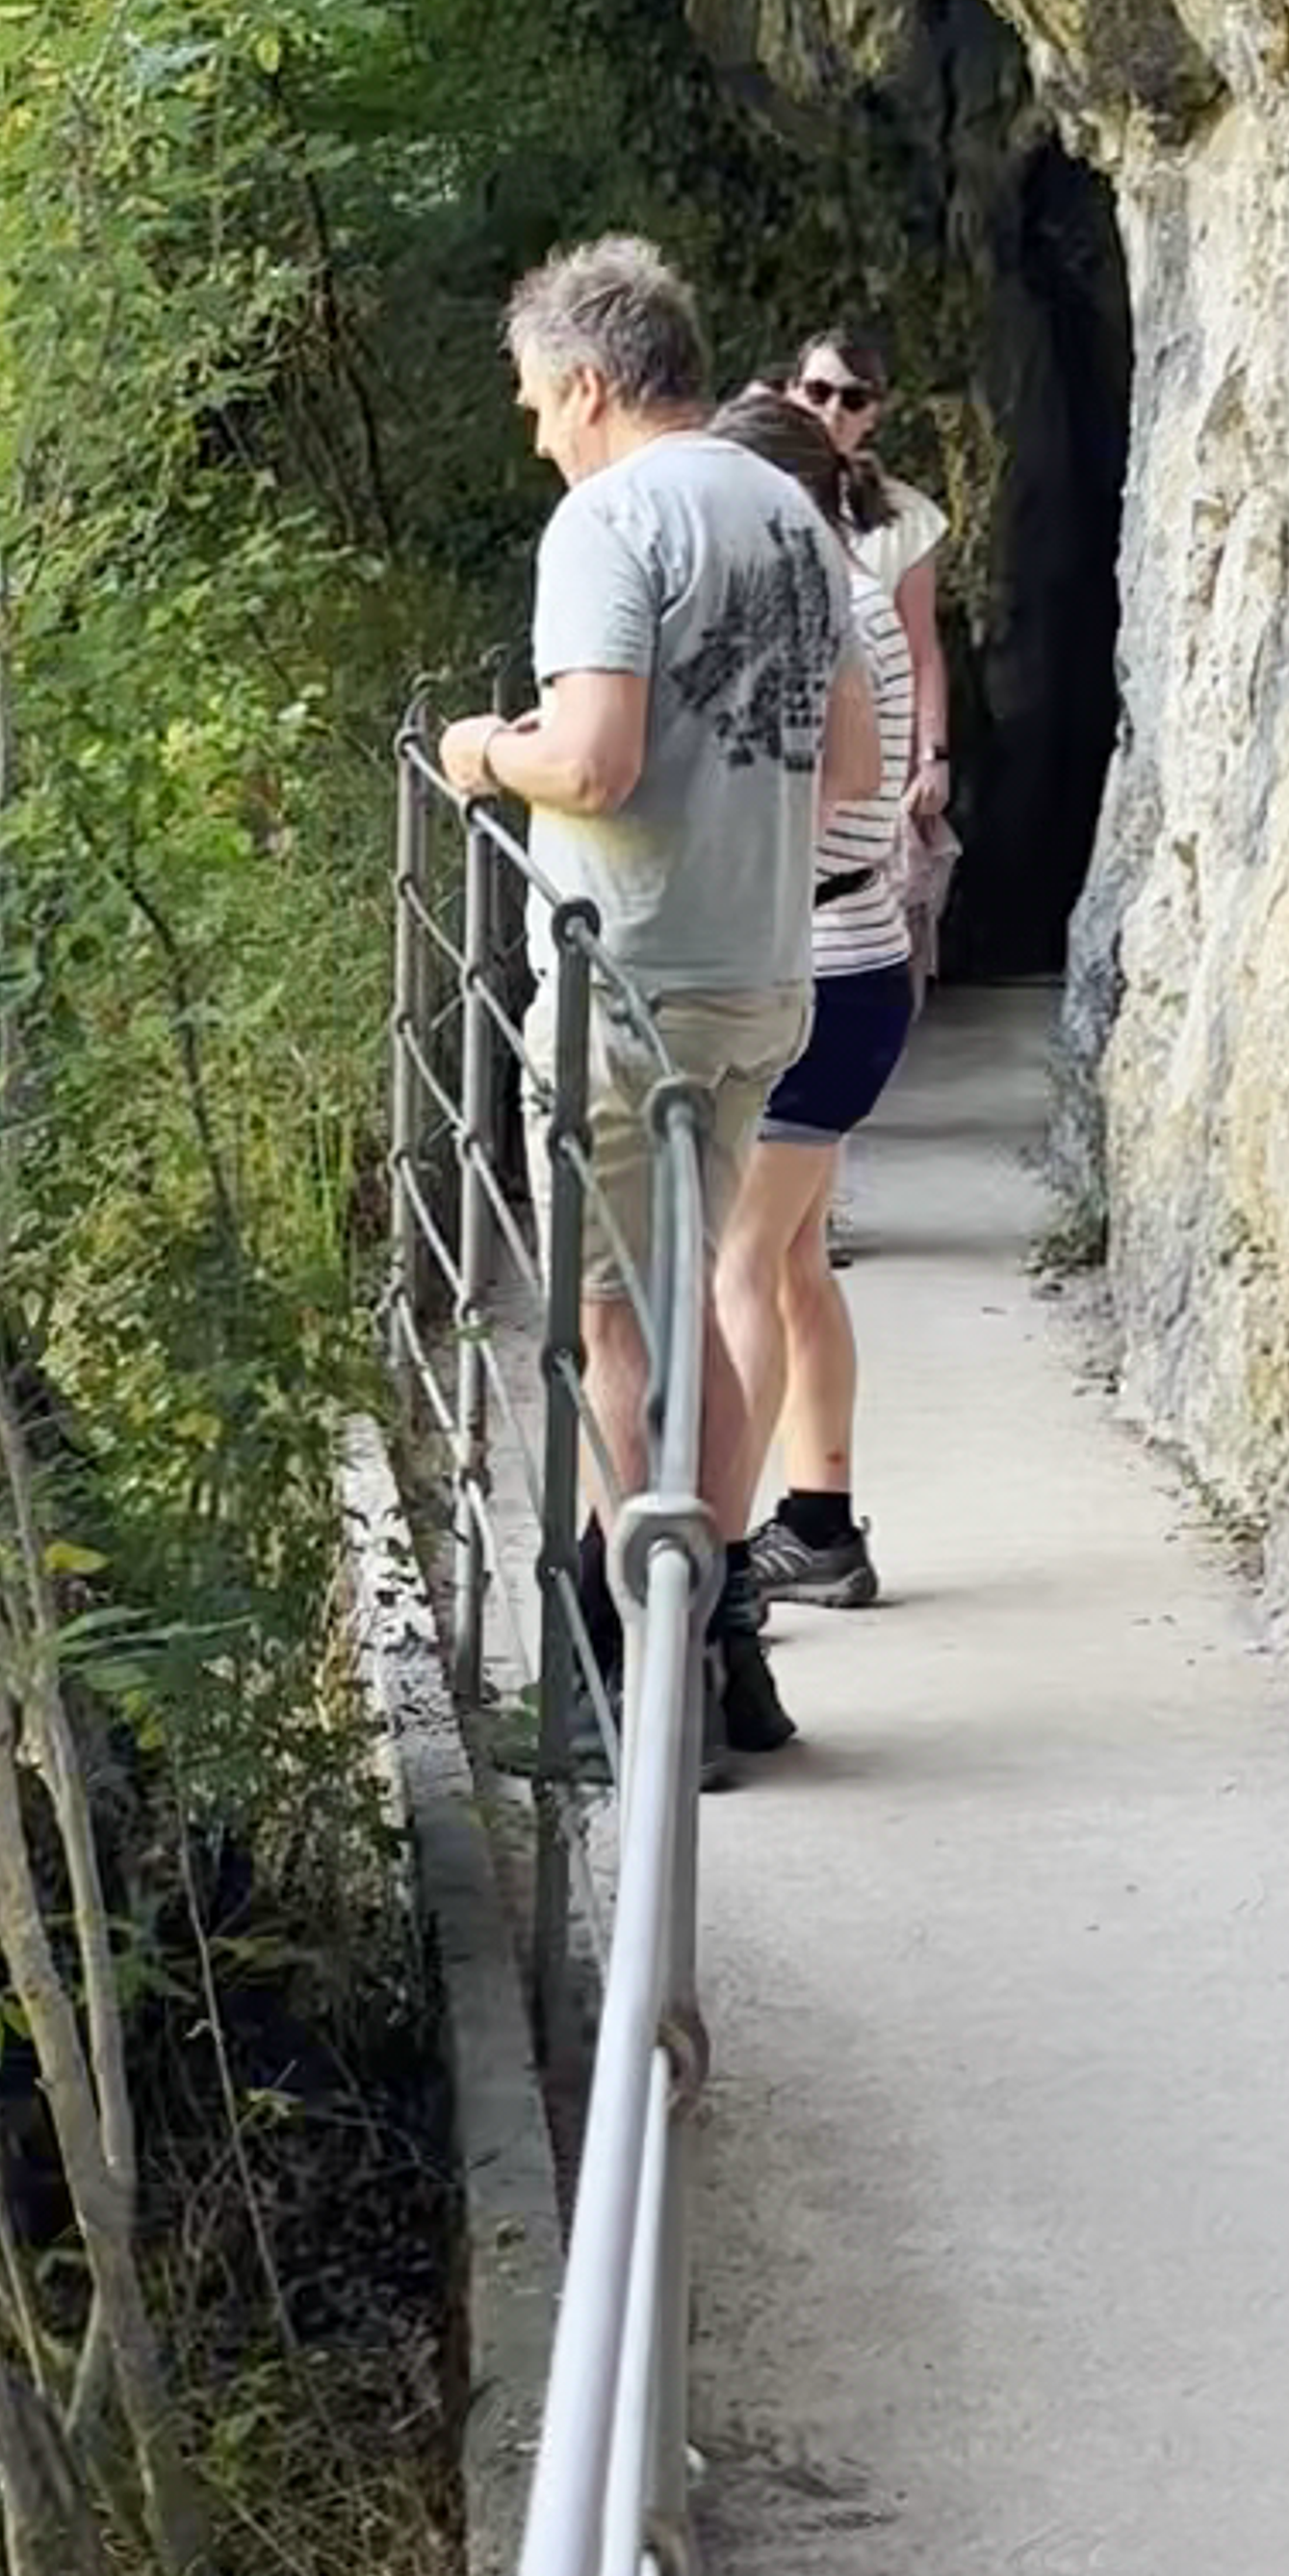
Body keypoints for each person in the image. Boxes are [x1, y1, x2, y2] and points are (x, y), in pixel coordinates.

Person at [439, 236, 879, 1764]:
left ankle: (645, 1668)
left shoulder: (608, 521)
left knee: (611, 1313)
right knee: (708, 1301)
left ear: (587, 380)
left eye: (534, 400)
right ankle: (723, 1638)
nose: (534, 430)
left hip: (632, 980)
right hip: (765, 969)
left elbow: (597, 760)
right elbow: (853, 765)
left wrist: (484, 749)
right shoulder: (796, 507)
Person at [709, 384, 915, 1611]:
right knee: (791, 1260)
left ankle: (723, 1561)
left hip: (821, 965)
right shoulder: (863, 595)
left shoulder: (816, 606)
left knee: (745, 1257)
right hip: (865, 960)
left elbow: (808, 785)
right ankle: (820, 1523)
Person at [787, 320, 957, 998]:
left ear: (875, 411)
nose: (833, 410)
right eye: (820, 390)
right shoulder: (754, 494)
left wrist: (933, 756)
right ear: (792, 391)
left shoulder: (905, 518)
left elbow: (922, 648)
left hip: (865, 749)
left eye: (852, 398)